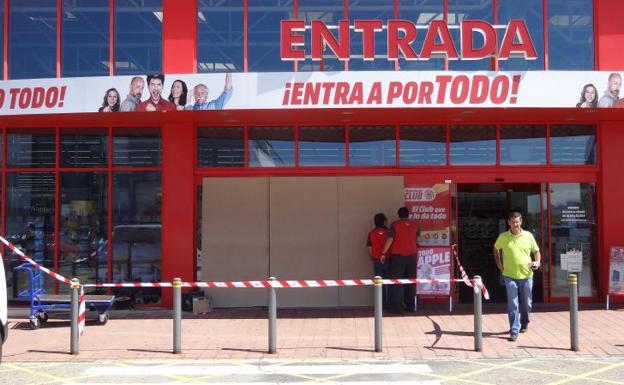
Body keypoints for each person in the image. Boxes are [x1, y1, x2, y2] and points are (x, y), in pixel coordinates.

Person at [493, 211, 541, 342]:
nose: (516, 224)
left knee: (527, 303)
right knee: (513, 303)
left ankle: (524, 321)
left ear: (521, 222)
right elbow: (496, 249)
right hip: (509, 276)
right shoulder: (503, 237)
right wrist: (499, 265)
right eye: (513, 222)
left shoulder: (528, 236)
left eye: (518, 221)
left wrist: (537, 262)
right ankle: (514, 330)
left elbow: (536, 251)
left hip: (526, 275)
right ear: (509, 223)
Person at [381, 207, 418, 314]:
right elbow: (417, 240)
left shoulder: (394, 225)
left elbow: (390, 239)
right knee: (411, 282)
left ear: (398, 215)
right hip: (412, 256)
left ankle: (397, 308)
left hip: (398, 257)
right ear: (408, 214)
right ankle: (410, 306)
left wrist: (383, 253)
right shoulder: (415, 226)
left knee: (397, 282)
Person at [367, 213, 389, 308]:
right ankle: (391, 304)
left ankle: (381, 306)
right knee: (391, 283)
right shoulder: (389, 232)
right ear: (384, 222)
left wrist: (373, 257)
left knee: (379, 284)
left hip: (377, 261)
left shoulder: (371, 233)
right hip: (389, 260)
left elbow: (369, 248)